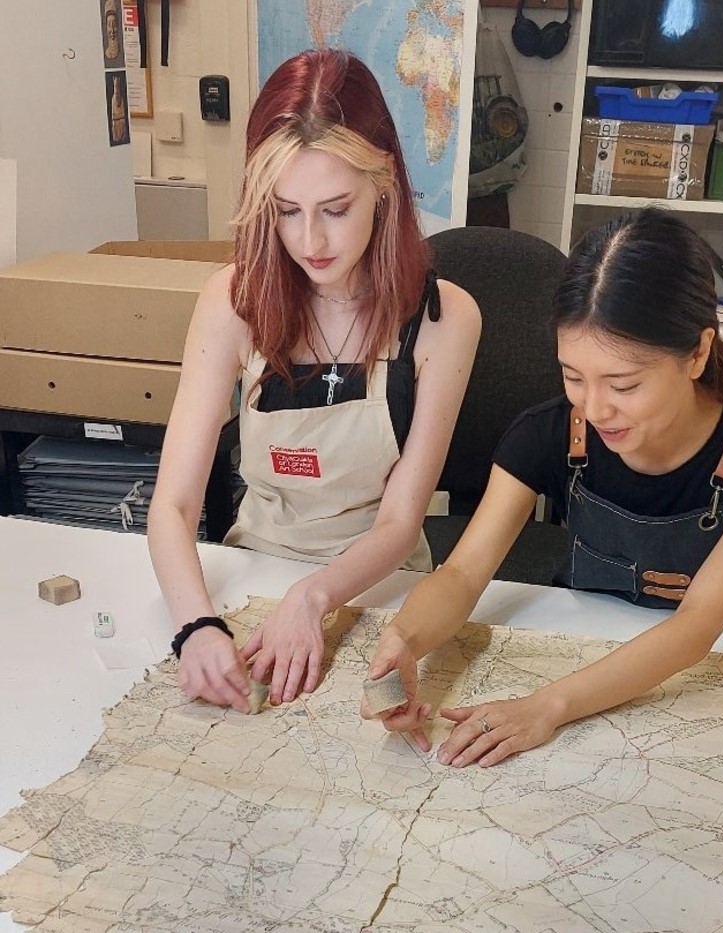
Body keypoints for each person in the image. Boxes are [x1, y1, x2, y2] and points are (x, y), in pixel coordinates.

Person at [364, 207, 723, 768]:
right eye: (573, 376)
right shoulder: (547, 433)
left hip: (710, 669)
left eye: (624, 384)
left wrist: (547, 706)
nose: (595, 409)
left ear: (696, 352)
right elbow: (464, 574)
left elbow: (695, 627)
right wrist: (406, 639)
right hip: (574, 641)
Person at [147, 49, 480, 714]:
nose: (309, 241)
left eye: (334, 208)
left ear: (384, 183)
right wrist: (196, 623)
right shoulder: (231, 300)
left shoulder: (446, 320)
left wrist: (316, 596)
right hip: (254, 569)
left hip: (380, 581)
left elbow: (398, 519)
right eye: (285, 210)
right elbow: (173, 507)